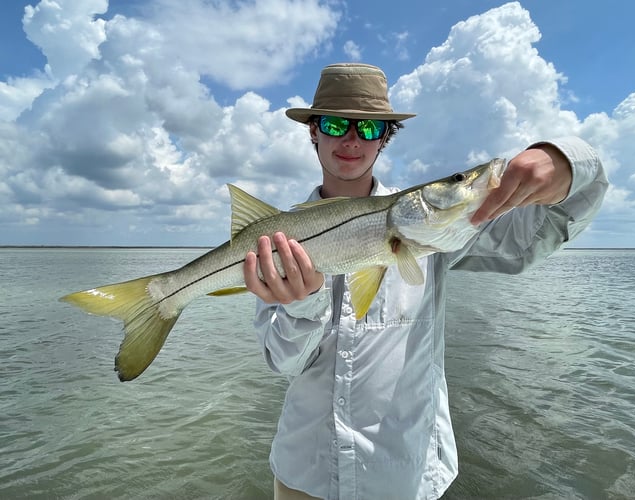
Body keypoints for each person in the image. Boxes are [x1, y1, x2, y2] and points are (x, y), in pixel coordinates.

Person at [243, 63, 609, 500]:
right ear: (314, 132)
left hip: (403, 477)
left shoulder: (440, 230)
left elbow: (538, 236)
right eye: (336, 123)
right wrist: (302, 305)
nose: (352, 139)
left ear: (385, 138)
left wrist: (567, 160)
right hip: (305, 475)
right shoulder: (277, 241)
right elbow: (282, 363)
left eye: (370, 128)